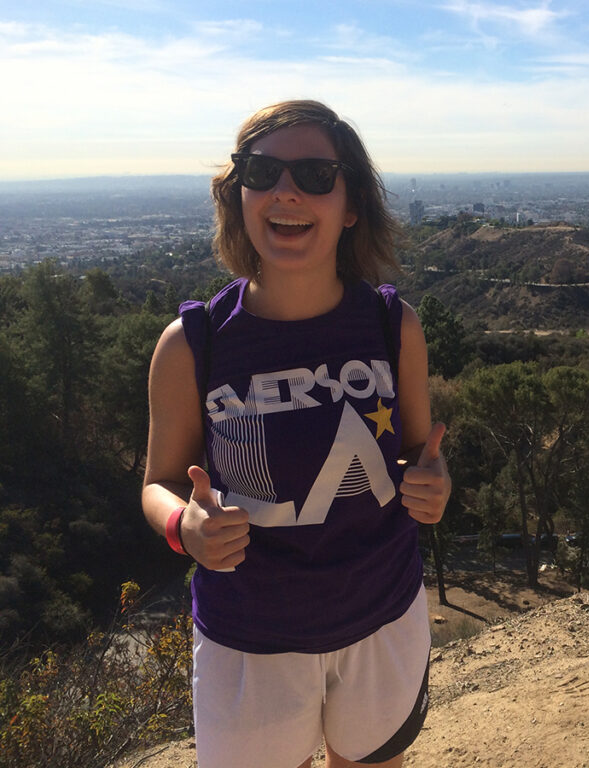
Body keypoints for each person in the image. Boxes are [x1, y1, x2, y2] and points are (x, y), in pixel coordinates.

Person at [142, 99, 450, 768]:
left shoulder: (395, 329)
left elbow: (418, 456)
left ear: (351, 206)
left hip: (382, 613)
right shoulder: (191, 346)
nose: (287, 190)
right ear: (240, 196)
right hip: (249, 634)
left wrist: (434, 484)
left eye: (315, 174)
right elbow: (160, 483)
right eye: (264, 171)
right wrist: (184, 528)